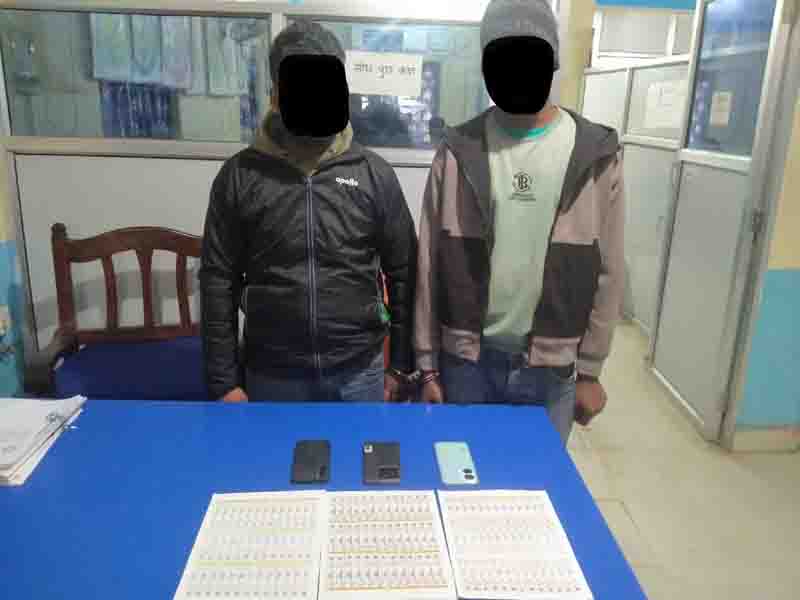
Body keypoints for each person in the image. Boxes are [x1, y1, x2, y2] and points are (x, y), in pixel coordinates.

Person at [414, 0, 625, 442]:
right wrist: (427, 365)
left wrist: (590, 370)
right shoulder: (457, 151)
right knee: (463, 476)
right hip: (465, 365)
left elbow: (608, 269)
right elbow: (430, 264)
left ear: (552, 60)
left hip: (551, 372)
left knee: (538, 482)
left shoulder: (595, 154)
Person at [200, 20, 417, 404]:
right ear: (276, 95)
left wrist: (400, 365)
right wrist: (224, 382)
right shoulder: (240, 176)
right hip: (271, 375)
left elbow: (404, 271)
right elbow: (218, 279)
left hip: (358, 373)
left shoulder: (373, 174)